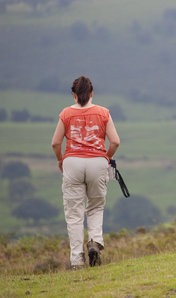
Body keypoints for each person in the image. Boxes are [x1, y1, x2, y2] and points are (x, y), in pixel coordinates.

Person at [51, 76, 120, 269]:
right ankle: (95, 242)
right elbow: (115, 141)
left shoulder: (66, 114)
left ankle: (76, 260)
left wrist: (60, 159)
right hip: (97, 162)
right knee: (96, 206)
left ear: (74, 95)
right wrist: (105, 157)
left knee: (74, 214)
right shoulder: (103, 113)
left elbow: (56, 143)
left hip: (72, 162)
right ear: (91, 93)